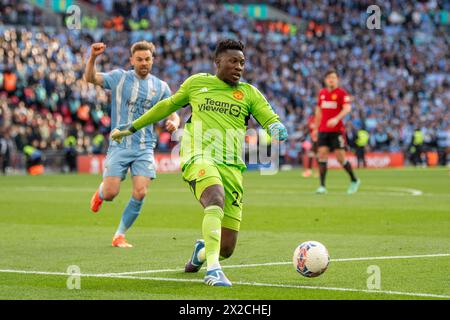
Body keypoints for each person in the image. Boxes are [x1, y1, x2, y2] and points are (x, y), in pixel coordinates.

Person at [110, 39, 288, 286]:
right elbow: (167, 106)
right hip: (198, 156)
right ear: (218, 62)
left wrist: (277, 128)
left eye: (242, 63)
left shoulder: (249, 94)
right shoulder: (197, 83)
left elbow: (270, 120)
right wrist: (131, 127)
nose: (239, 67)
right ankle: (213, 270)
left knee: (227, 248)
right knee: (214, 198)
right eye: (233, 61)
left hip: (232, 167)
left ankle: (203, 254)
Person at [85, 41, 180, 248]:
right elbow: (90, 78)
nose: (143, 63)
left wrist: (174, 122)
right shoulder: (119, 78)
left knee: (141, 192)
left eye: (147, 59)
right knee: (111, 193)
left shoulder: (161, 87)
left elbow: (173, 111)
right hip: (119, 144)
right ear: (131, 60)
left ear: (153, 60)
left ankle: (119, 235)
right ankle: (100, 194)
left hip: (145, 146)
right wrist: (92, 57)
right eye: (139, 59)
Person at [313, 70, 360, 194]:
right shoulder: (322, 93)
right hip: (323, 130)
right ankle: (322, 186)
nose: (331, 80)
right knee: (322, 155)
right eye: (329, 78)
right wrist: (315, 128)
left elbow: (347, 108)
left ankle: (354, 180)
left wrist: (336, 118)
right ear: (325, 80)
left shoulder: (341, 93)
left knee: (340, 158)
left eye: (333, 78)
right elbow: (318, 111)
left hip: (337, 130)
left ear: (337, 79)